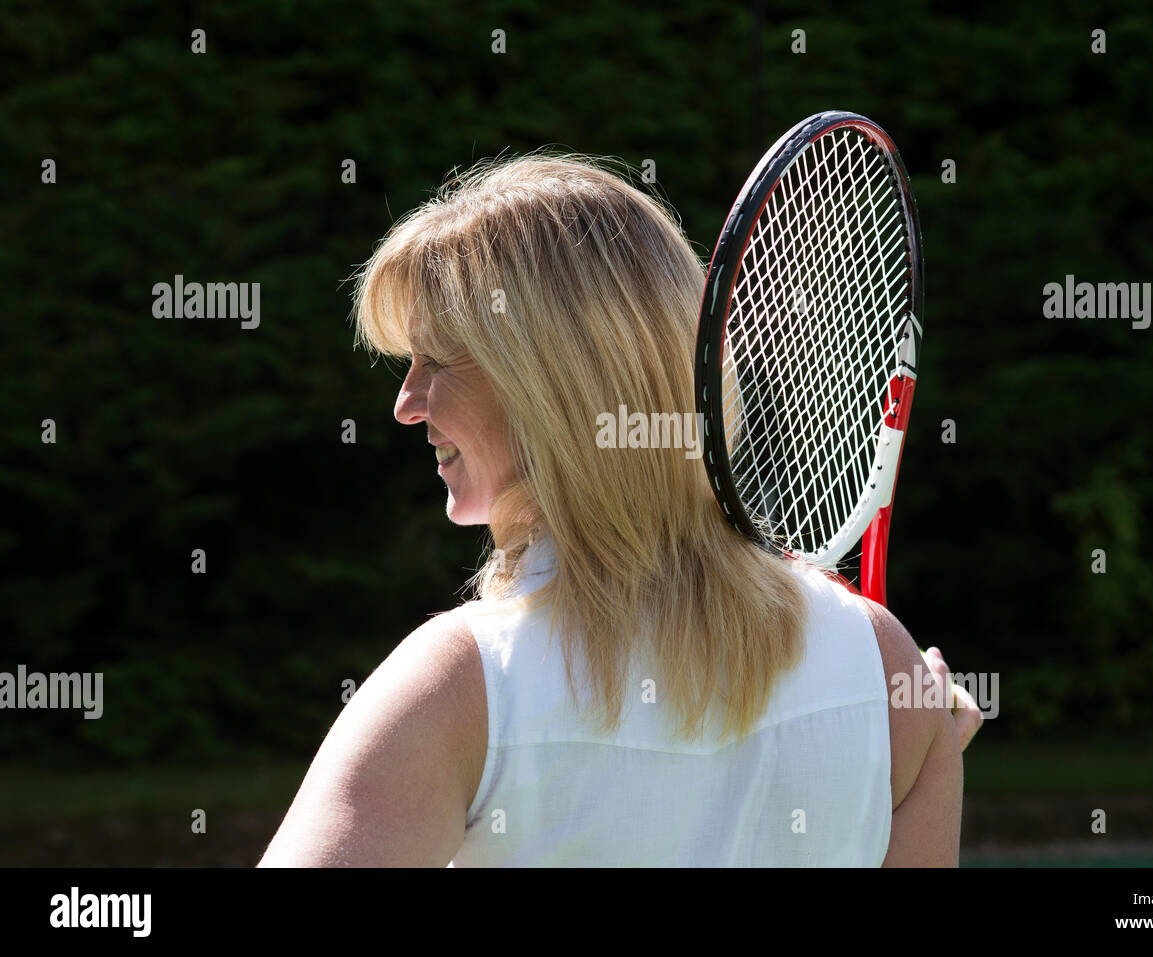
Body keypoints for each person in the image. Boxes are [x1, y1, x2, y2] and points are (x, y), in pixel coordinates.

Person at [258, 154, 979, 868]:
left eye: (437, 363)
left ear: (555, 388)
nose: (406, 403)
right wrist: (923, 742)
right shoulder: (889, 671)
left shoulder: (456, 687)